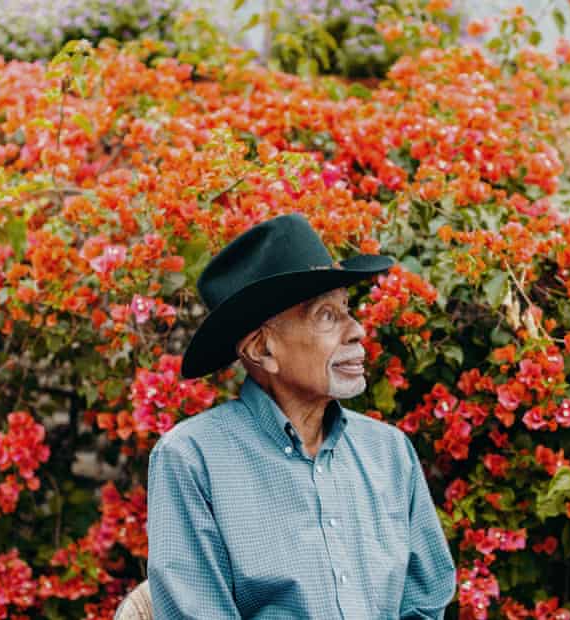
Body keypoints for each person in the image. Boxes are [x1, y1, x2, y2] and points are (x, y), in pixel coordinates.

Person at [146, 213, 456, 619]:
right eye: (326, 315)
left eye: (347, 308)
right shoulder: (192, 459)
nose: (357, 330)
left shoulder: (389, 451)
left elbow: (425, 603)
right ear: (262, 350)